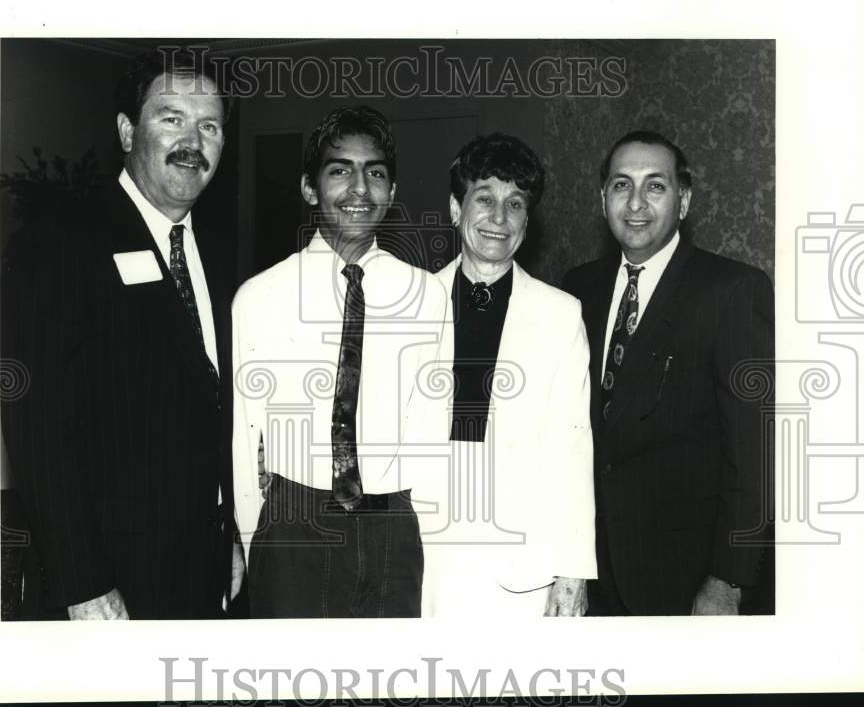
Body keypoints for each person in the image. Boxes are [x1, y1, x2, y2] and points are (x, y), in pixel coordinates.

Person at [3, 49, 241, 619]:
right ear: (128, 131)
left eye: (209, 126)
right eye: (172, 118)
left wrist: (227, 532)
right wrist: (83, 582)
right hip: (108, 578)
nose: (193, 141)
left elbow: (210, 406)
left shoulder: (220, 252)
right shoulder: (61, 240)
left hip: (201, 563)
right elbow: (37, 428)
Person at [231, 105, 448, 618]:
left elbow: (431, 429)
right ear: (309, 188)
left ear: (392, 192)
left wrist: (427, 544)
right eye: (339, 171)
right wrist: (256, 543)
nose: (359, 188)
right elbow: (243, 438)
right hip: (292, 523)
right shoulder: (260, 296)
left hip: (392, 523)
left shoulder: (426, 294)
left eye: (375, 173)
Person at [561, 130, 773, 616]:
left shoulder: (732, 291)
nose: (636, 203)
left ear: (684, 201)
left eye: (655, 186)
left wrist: (728, 580)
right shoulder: (578, 288)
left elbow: (755, 453)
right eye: (621, 185)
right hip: (592, 571)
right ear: (602, 198)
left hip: (687, 577)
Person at [422, 133, 596, 618]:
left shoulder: (561, 314)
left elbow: (573, 447)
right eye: (484, 199)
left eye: (515, 203)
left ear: (527, 221)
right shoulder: (410, 305)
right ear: (455, 208)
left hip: (522, 568)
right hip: (424, 560)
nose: (499, 218)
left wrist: (573, 569)